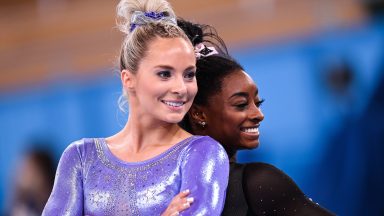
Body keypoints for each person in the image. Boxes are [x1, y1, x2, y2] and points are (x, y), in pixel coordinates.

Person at [42, 1, 229, 215]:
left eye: (189, 74)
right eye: (164, 74)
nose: (181, 88)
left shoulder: (202, 154)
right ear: (128, 79)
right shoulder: (81, 158)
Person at [176, 19, 335, 216]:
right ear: (199, 113)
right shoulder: (257, 184)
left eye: (257, 103)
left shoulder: (258, 185)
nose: (258, 115)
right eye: (241, 104)